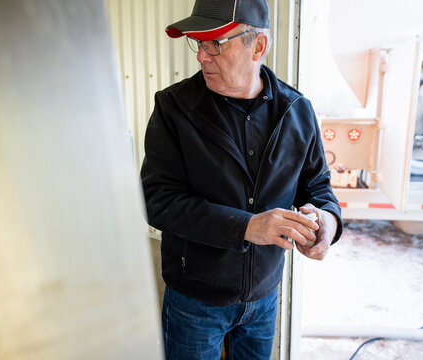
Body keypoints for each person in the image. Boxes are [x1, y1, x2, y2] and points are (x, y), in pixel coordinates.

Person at [140, 0, 343, 358]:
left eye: (215, 44)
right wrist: (247, 227)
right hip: (195, 301)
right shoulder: (173, 109)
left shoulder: (296, 111)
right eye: (198, 43)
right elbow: (158, 201)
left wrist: (327, 220)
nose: (202, 57)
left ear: (258, 46)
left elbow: (318, 187)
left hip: (264, 299)